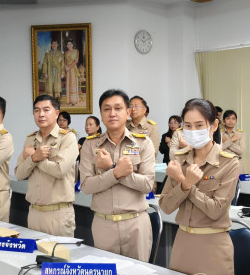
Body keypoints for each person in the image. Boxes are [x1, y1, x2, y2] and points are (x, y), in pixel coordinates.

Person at [159, 98, 239, 275]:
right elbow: (165, 206)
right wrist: (185, 182)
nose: (193, 131)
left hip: (214, 245)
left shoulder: (228, 162)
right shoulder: (179, 159)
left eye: (199, 125)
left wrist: (185, 183)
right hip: (182, 242)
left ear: (214, 125)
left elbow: (216, 210)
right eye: (187, 126)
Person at [79, 89, 155, 261]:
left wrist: (112, 168)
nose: (112, 113)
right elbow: (86, 186)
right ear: (101, 113)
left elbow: (148, 185)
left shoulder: (143, 142)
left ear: (128, 112)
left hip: (136, 224)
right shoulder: (90, 145)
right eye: (107, 109)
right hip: (104, 224)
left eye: (118, 108)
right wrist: (115, 172)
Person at [15, 95, 78, 237]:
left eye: (46, 110)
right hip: (34, 212)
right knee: (34, 258)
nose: (41, 114)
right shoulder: (30, 139)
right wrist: (34, 158)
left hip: (58, 214)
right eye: (37, 110)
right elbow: (19, 173)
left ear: (56, 113)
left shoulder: (68, 138)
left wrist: (36, 159)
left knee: (59, 258)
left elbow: (60, 170)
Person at [65, 40, 80, 105]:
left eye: (70, 44)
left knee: (74, 83)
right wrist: (66, 67)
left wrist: (69, 67)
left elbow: (76, 61)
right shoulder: (66, 53)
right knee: (69, 84)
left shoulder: (76, 51)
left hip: (73, 69)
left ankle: (74, 101)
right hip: (68, 70)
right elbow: (65, 61)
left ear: (72, 45)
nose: (69, 45)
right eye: (68, 44)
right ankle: (69, 101)